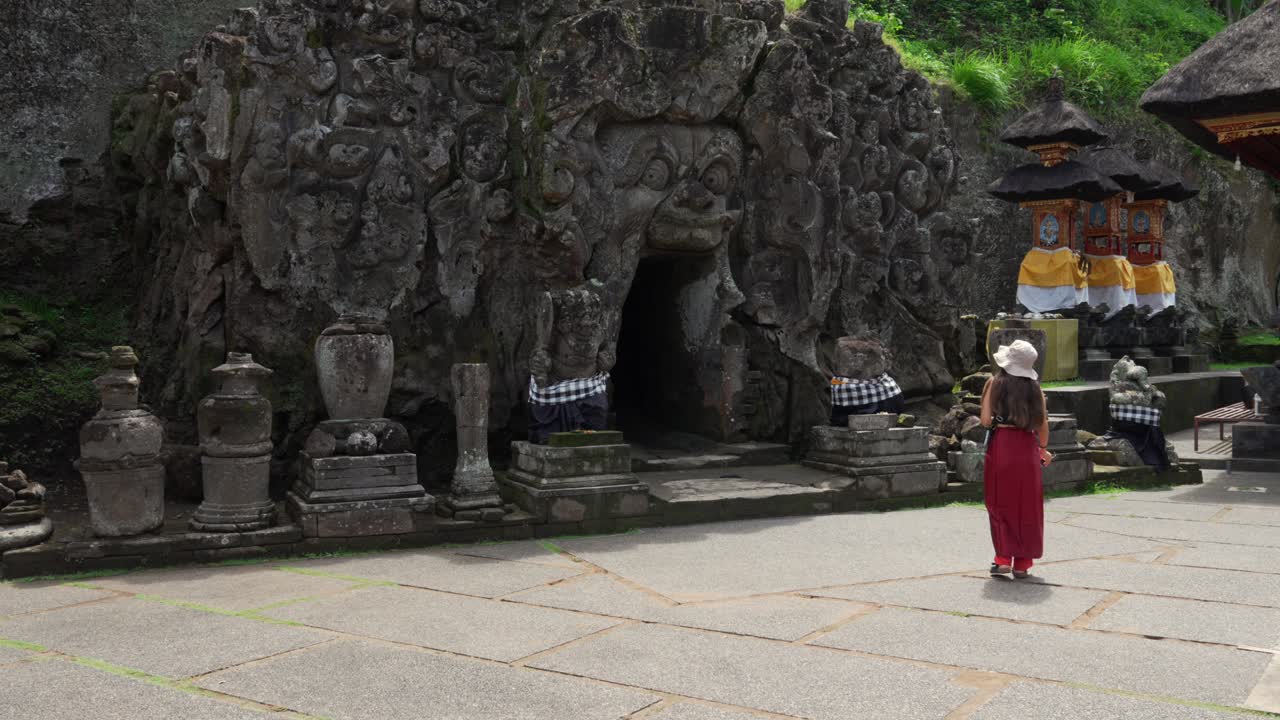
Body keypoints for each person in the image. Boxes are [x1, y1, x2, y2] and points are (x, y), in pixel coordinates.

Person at [980, 339, 1053, 579]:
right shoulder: (1035, 388)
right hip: (1027, 447)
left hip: (1002, 446)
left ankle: (1003, 559)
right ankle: (1022, 562)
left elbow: (986, 420)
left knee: (999, 502)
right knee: (1027, 506)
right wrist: (1043, 449)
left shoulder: (994, 383)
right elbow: (1042, 424)